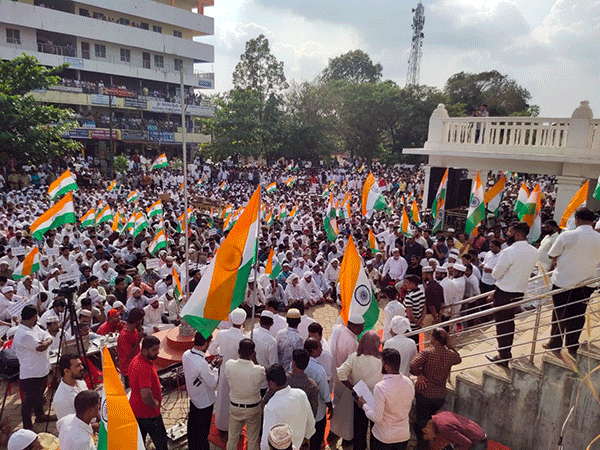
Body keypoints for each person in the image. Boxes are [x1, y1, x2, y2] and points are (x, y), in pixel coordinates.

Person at [544, 208, 600, 355]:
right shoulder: (599, 238)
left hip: (563, 282)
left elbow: (551, 254)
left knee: (559, 313)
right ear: (592, 221)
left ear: (577, 219)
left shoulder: (567, 235)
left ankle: (555, 343)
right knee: (578, 314)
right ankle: (572, 345)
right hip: (587, 283)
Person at [486, 222, 538, 367]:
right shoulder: (534, 251)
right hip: (519, 292)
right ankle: (505, 353)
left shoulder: (508, 252)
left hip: (504, 293)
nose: (506, 234)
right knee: (509, 323)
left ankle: (503, 355)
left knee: (503, 324)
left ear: (517, 235)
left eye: (509, 232)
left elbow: (496, 274)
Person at [410, 328, 462, 449]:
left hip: (424, 394)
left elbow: (413, 365)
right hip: (440, 397)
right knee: (431, 423)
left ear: (433, 338)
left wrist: (419, 374)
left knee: (422, 422)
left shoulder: (427, 352)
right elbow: (458, 359)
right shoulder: (450, 354)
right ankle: (428, 445)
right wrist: (450, 346)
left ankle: (421, 446)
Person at [357, 348, 415, 450]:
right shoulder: (409, 382)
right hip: (403, 435)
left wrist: (364, 406)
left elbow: (376, 418)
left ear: (386, 367)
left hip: (383, 437)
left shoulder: (381, 387)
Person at [337, 331, 383, 450]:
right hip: (377, 399)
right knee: (375, 430)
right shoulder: (382, 359)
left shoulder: (354, 357)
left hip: (360, 398)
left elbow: (340, 373)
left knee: (359, 430)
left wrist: (351, 387)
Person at [13, 305, 56, 429]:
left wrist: (47, 341)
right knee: (29, 402)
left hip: (41, 370)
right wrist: (47, 342)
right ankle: (27, 426)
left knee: (39, 395)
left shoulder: (33, 327)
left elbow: (46, 335)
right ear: (33, 317)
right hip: (31, 373)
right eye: (36, 317)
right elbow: (41, 347)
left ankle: (40, 415)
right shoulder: (24, 334)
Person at [209, 308, 247, 435]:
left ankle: (221, 425)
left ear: (231, 319)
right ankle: (234, 427)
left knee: (222, 398)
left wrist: (221, 354)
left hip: (224, 371)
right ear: (243, 322)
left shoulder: (221, 334)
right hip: (237, 373)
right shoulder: (244, 339)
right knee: (236, 400)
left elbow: (211, 350)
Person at [327, 315, 364, 447]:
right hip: (346, 380)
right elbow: (353, 366)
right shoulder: (352, 343)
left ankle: (333, 432)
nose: (362, 329)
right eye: (360, 327)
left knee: (337, 404)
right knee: (347, 413)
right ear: (352, 326)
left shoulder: (340, 330)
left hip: (336, 376)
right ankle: (346, 437)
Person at [262, 364, 315, 450]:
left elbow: (265, 443)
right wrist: (306, 437)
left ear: (271, 383)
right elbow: (311, 423)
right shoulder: (301, 394)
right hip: (298, 445)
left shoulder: (271, 407)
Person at [182, 332, 221, 450]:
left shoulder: (186, 354)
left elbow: (200, 373)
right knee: (202, 433)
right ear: (205, 344)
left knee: (193, 428)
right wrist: (216, 368)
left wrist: (211, 366)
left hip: (194, 397)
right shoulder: (202, 363)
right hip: (205, 401)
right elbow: (213, 383)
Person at [225, 339, 266, 450]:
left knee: (232, 438)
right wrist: (255, 360)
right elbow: (263, 375)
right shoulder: (258, 370)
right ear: (253, 353)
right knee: (252, 440)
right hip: (253, 409)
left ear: (239, 351)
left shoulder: (229, 365)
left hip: (235, 407)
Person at [129, 336, 168, 450]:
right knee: (161, 443)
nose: (158, 352)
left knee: (139, 443)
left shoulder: (136, 360)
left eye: (158, 349)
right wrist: (154, 404)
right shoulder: (144, 367)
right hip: (149, 413)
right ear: (145, 351)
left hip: (137, 410)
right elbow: (145, 394)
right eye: (154, 350)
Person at [304, 338, 333, 450]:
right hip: (318, 413)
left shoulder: (298, 364)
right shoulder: (319, 370)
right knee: (316, 440)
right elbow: (325, 393)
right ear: (313, 351)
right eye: (320, 347)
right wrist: (330, 407)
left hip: (303, 411)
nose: (322, 350)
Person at [422, 411, 487, 450]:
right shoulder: (439, 415)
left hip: (477, 444)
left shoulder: (444, 428)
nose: (432, 439)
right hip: (479, 435)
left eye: (429, 438)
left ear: (425, 430)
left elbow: (467, 444)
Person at [251, 310, 278, 395]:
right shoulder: (272, 341)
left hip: (250, 376)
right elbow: (273, 364)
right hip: (263, 380)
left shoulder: (251, 333)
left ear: (260, 321)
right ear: (272, 324)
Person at [286, 349, 319, 418]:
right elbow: (313, 410)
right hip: (302, 421)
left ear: (293, 363)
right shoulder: (312, 386)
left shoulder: (283, 380)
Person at [117, 307, 145, 388]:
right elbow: (129, 355)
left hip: (137, 365)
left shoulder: (134, 329)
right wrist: (139, 340)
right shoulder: (124, 336)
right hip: (128, 369)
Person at [54, 354, 88, 420]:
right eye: (78, 366)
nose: (82, 367)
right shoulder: (61, 399)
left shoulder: (81, 382)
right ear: (67, 371)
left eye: (81, 364)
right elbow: (70, 424)